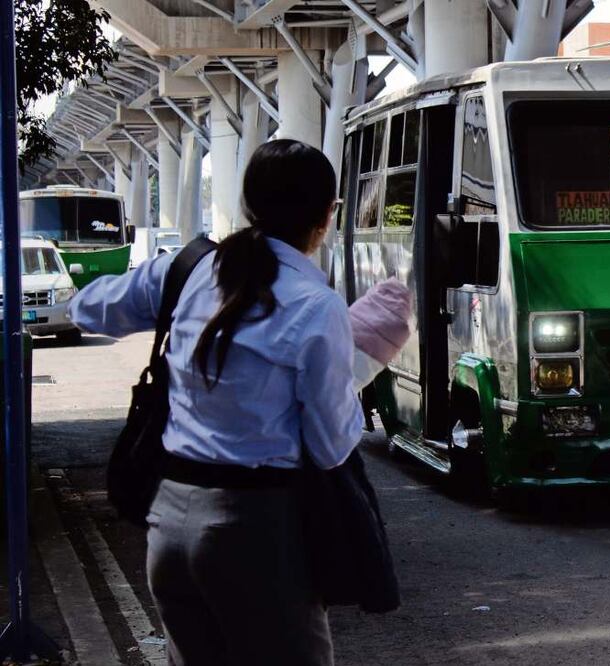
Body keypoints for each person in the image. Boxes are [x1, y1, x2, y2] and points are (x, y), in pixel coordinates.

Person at [68, 139, 411, 665]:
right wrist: (359, 362)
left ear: (250, 205)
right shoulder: (316, 306)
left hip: (169, 521)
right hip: (253, 528)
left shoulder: (188, 271)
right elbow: (328, 446)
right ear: (326, 215)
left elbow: (93, 309)